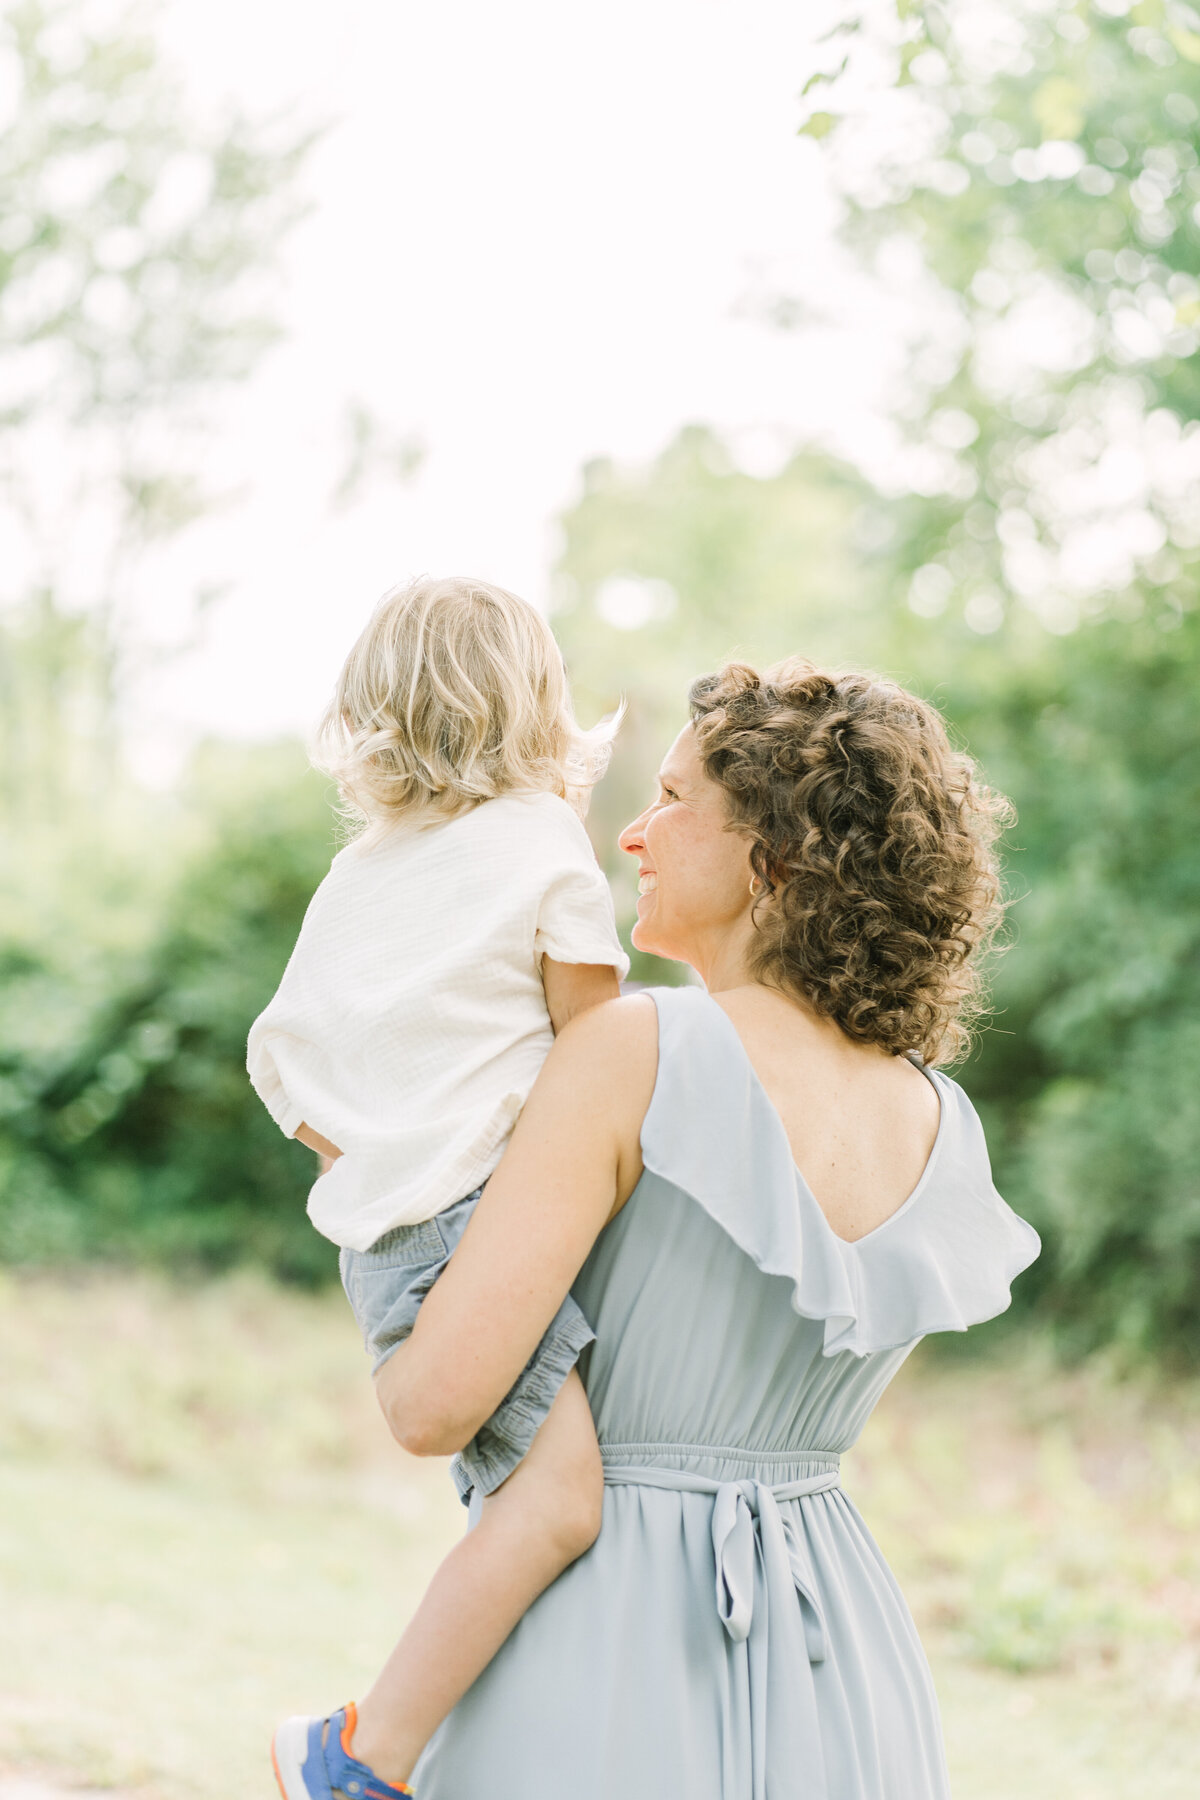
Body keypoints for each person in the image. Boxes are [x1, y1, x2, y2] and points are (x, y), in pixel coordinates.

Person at [363, 657, 1042, 1800]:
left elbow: (433, 1403)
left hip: (607, 1646)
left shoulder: (640, 1050)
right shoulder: (938, 1114)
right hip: (842, 1672)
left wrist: (368, 1200)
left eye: (674, 800)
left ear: (777, 857)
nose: (632, 834)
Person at [248, 576, 629, 1800]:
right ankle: (361, 1753)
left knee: (513, 1512)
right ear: (537, 709)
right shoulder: (541, 848)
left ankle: (487, 1750)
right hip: (484, 1224)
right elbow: (604, 1055)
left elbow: (278, 1055)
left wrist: (372, 1163)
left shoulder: (362, 873)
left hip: (388, 1239)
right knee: (562, 1502)